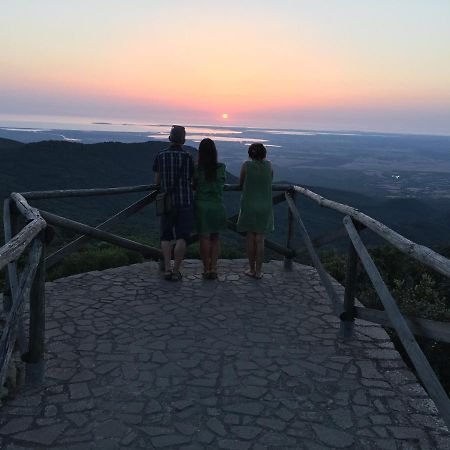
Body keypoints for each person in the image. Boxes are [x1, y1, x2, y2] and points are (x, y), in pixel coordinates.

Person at [153, 125, 194, 281]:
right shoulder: (188, 157)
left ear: (170, 138)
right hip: (185, 201)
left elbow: (157, 181)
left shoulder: (160, 155)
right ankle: (176, 271)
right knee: (183, 237)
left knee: (166, 236)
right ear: (183, 140)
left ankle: (167, 269)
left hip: (167, 203)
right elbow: (191, 180)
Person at [237, 143, 274, 279]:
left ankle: (251, 269)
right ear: (264, 153)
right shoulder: (269, 165)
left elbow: (241, 184)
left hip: (249, 205)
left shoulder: (246, 166)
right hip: (265, 205)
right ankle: (259, 271)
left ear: (250, 153)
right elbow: (270, 180)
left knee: (250, 238)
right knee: (260, 239)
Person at [194, 138, 227, 279]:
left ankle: (206, 268)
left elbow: (194, 185)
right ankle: (214, 268)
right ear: (214, 152)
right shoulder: (221, 167)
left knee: (204, 238)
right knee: (215, 238)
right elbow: (222, 183)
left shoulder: (197, 169)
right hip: (217, 205)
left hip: (202, 206)